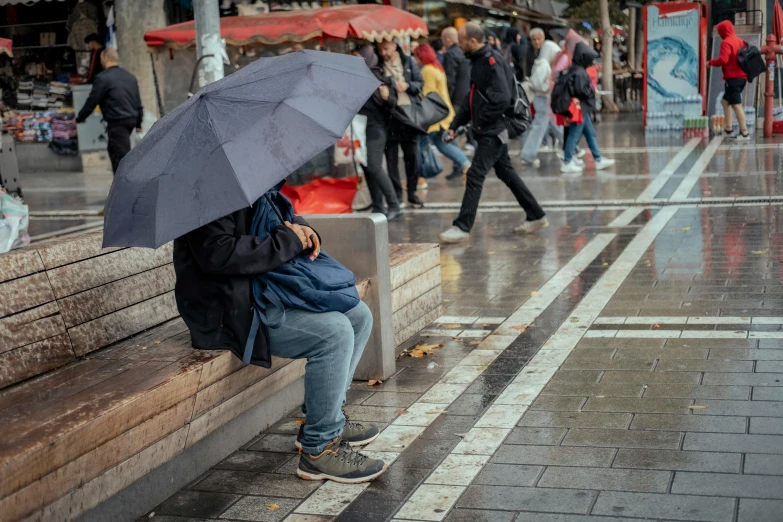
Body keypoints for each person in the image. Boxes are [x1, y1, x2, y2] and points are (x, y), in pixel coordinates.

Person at [173, 190, 387, 484]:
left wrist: (304, 230)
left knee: (358, 316)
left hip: (263, 291)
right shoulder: (204, 194)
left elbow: (275, 214)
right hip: (228, 312)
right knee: (334, 333)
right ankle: (319, 450)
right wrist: (288, 241)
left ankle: (325, 419)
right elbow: (218, 254)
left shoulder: (242, 178)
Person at [439, 23, 548, 244]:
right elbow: (471, 100)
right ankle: (536, 215)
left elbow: (501, 98)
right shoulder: (477, 61)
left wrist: (481, 120)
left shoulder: (491, 61)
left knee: (475, 174)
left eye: (461, 41)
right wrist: (455, 125)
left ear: (472, 41)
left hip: (495, 129)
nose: (458, 45)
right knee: (507, 173)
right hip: (489, 127)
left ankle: (462, 227)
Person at [76, 48, 143, 175]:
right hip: (131, 120)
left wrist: (79, 118)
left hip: (117, 121)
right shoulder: (130, 77)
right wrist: (139, 123)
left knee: (120, 157)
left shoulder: (103, 78)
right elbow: (138, 103)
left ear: (105, 58)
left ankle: (123, 189)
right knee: (117, 150)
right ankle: (122, 186)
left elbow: (92, 101)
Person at [355, 45, 402, 221]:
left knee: (374, 166)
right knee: (367, 167)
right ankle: (377, 206)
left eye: (358, 57)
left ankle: (394, 205)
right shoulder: (358, 78)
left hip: (377, 128)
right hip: (362, 128)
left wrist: (386, 96)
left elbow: (392, 103)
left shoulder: (376, 77)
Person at [378, 40, 426, 208]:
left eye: (386, 48)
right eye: (380, 49)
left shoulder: (408, 61)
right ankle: (397, 195)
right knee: (391, 159)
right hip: (390, 116)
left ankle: (412, 193)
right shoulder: (378, 65)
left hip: (409, 115)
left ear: (394, 45)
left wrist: (407, 85)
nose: (383, 52)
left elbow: (420, 84)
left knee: (412, 157)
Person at [413, 44, 471, 179]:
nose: (415, 60)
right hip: (442, 113)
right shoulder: (437, 67)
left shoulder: (427, 70)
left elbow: (427, 93)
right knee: (441, 144)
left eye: (416, 56)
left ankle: (418, 178)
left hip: (433, 116)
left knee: (421, 147)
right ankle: (467, 165)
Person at [559, 42, 615, 173]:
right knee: (574, 134)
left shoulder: (576, 69)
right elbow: (580, 90)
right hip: (580, 108)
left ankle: (598, 158)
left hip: (581, 108)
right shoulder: (579, 72)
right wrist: (592, 91)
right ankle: (567, 161)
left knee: (590, 133)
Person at [519, 40, 564, 168]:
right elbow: (537, 83)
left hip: (543, 99)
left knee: (554, 124)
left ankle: (572, 149)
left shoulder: (542, 63)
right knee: (540, 127)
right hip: (543, 98)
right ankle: (527, 155)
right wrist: (549, 87)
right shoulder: (544, 65)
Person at [441, 26, 474, 178]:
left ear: (447, 40)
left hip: (455, 99)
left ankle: (459, 165)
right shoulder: (464, 52)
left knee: (452, 132)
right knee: (458, 131)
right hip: (466, 95)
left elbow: (450, 80)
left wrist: (447, 98)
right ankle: (460, 164)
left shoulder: (450, 54)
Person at [709, 20, 750, 140]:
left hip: (733, 78)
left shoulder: (726, 42)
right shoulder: (740, 41)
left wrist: (710, 62)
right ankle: (728, 129)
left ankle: (744, 133)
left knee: (737, 105)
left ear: (723, 31)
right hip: (742, 78)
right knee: (725, 102)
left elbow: (723, 60)